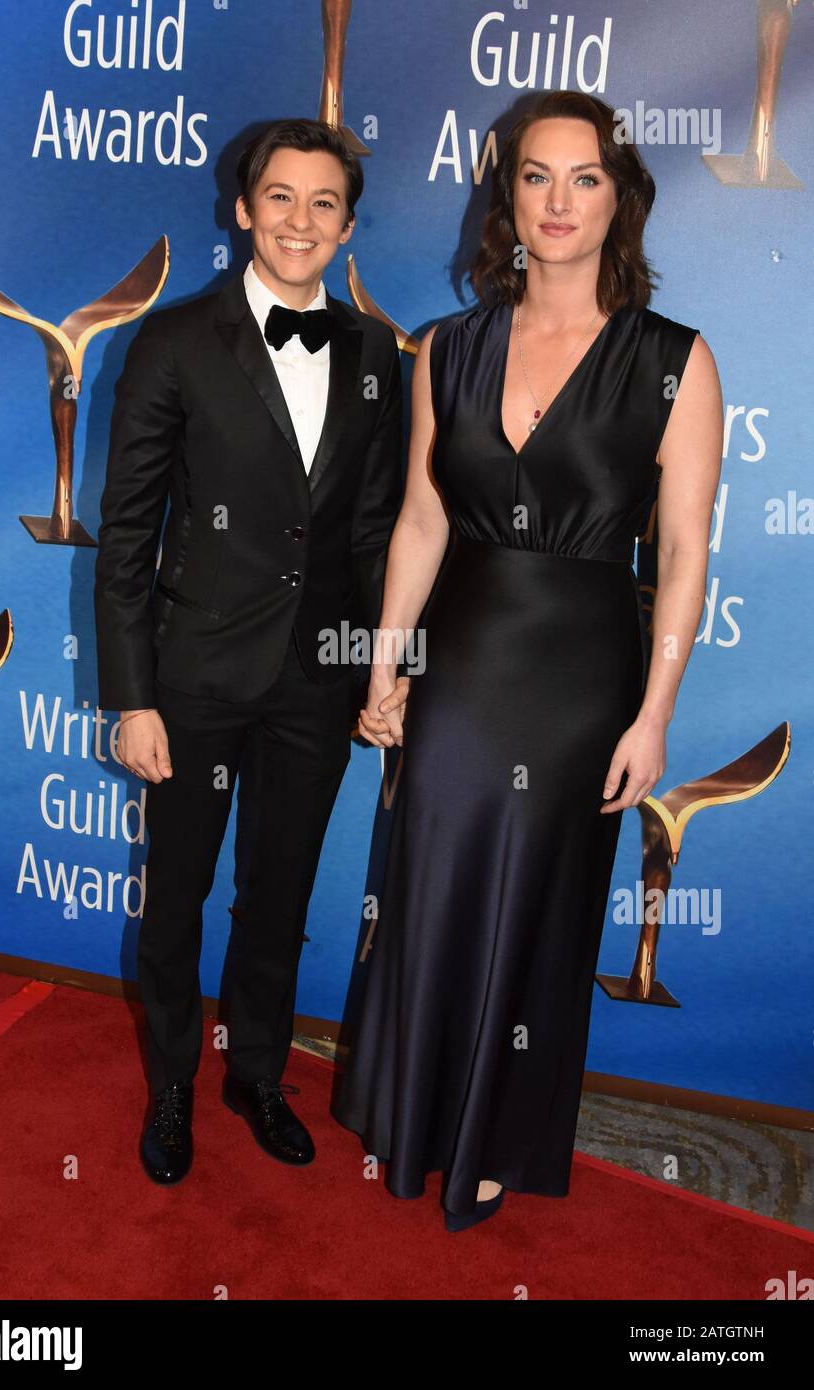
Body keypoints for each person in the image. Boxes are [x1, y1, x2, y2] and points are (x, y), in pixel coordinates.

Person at [333, 90, 723, 1232]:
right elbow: (419, 518)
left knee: (540, 905)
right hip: (461, 660)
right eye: (536, 177)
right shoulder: (446, 349)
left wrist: (653, 715)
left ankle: (495, 1133)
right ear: (505, 194)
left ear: (620, 197)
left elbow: (689, 551)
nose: (558, 201)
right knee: (433, 879)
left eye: (584, 177)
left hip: (581, 678)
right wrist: (385, 666)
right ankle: (414, 1113)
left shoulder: (671, 362)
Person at [94, 118, 403, 1184]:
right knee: (175, 893)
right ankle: (173, 1085)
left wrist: (379, 669)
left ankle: (257, 1075)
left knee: (281, 892)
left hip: (315, 682)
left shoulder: (374, 354)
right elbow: (128, 534)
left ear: (348, 226)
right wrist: (131, 697)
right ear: (242, 208)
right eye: (281, 197)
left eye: (324, 203)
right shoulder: (175, 340)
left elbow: (370, 535)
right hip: (192, 679)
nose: (300, 220)